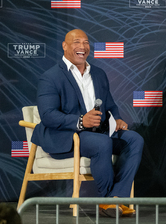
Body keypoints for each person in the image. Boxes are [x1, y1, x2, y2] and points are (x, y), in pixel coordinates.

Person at [31, 29, 144, 217]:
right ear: (64, 46)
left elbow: (111, 105)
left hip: (99, 133)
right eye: (76, 42)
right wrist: (81, 121)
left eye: (86, 42)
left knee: (134, 139)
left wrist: (117, 119)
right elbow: (48, 115)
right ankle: (107, 200)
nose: (82, 47)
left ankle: (115, 198)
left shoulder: (98, 74)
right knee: (102, 143)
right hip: (68, 136)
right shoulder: (50, 77)